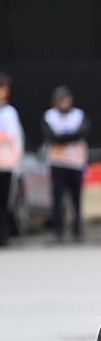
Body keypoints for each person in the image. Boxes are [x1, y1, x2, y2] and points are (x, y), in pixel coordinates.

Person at [42, 86, 90, 242]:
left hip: (76, 163)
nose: (64, 102)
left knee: (76, 198)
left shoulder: (78, 115)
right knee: (57, 199)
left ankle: (76, 229)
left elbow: (82, 132)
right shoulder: (50, 116)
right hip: (58, 163)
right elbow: (51, 136)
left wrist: (64, 137)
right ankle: (58, 231)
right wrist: (69, 137)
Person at [0, 72, 24, 247]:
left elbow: (13, 137)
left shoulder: (9, 113)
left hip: (5, 165)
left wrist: (16, 162)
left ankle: (4, 236)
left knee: (4, 203)